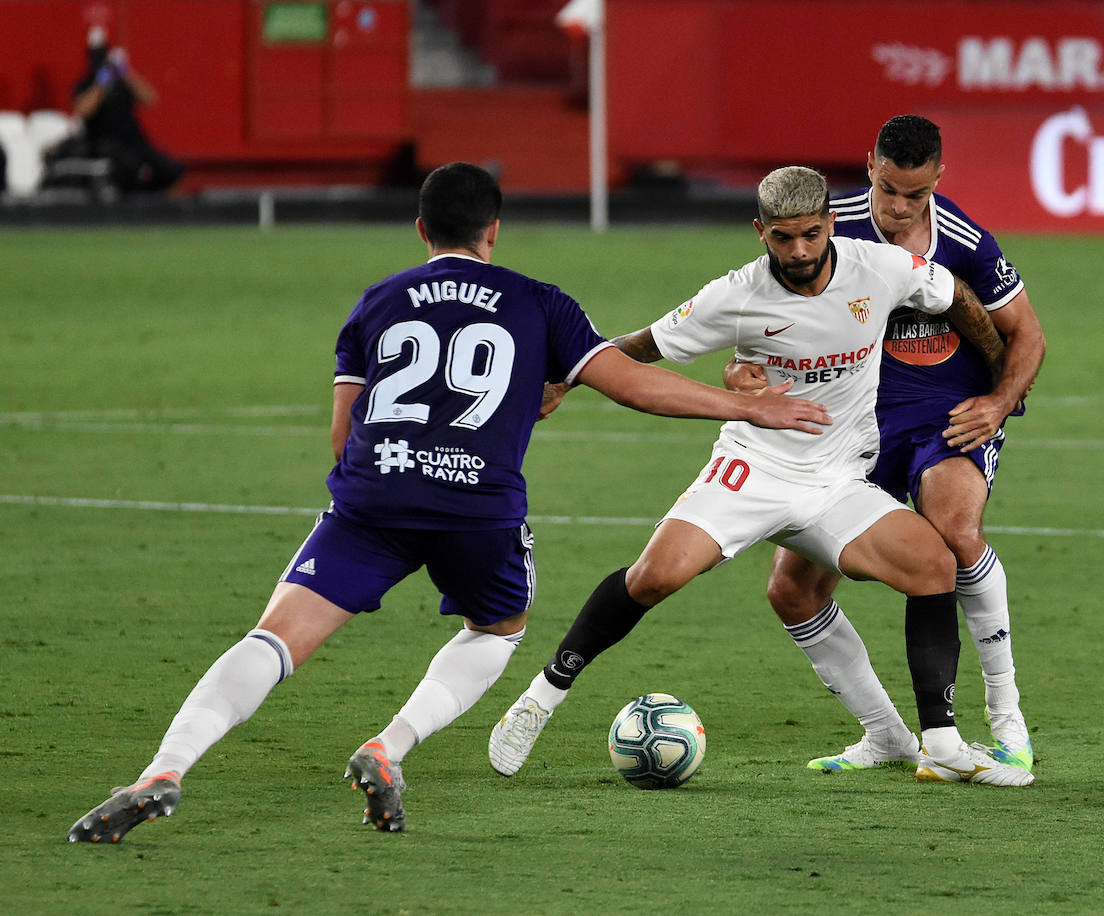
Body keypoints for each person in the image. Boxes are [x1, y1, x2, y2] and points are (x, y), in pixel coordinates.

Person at [66, 162, 831, 843]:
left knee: (275, 637)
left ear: (422, 229)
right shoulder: (538, 302)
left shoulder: (378, 301)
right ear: (495, 229)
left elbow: (342, 435)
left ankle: (162, 771)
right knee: (498, 626)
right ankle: (387, 746)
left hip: (375, 498)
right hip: (479, 510)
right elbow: (632, 384)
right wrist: (747, 408)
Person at [488, 165, 1035, 788]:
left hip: (835, 480)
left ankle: (936, 743)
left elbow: (955, 296)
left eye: (809, 234)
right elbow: (644, 344)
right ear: (760, 232)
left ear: (830, 223)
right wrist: (564, 374)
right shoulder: (736, 295)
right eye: (782, 238)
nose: (798, 251)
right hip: (753, 469)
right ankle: (540, 698)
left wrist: (996, 382)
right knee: (654, 577)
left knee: (934, 565)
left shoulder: (880, 268)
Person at [726, 115, 1046, 772]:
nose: (899, 209)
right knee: (791, 592)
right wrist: (745, 372)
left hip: (945, 417)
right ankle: (887, 734)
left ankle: (1007, 716)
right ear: (869, 163)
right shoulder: (823, 226)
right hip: (851, 429)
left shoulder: (961, 239)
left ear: (938, 179)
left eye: (915, 195)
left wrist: (997, 401)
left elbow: (1028, 334)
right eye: (889, 189)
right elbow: (758, 322)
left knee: (955, 532)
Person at [69, 26, 183, 193]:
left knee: (171, 170)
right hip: (106, 145)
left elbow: (150, 99)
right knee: (131, 169)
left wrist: (127, 73)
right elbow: (82, 110)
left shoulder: (123, 81)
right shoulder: (86, 84)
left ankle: (147, 199)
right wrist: (101, 85)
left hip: (135, 141)